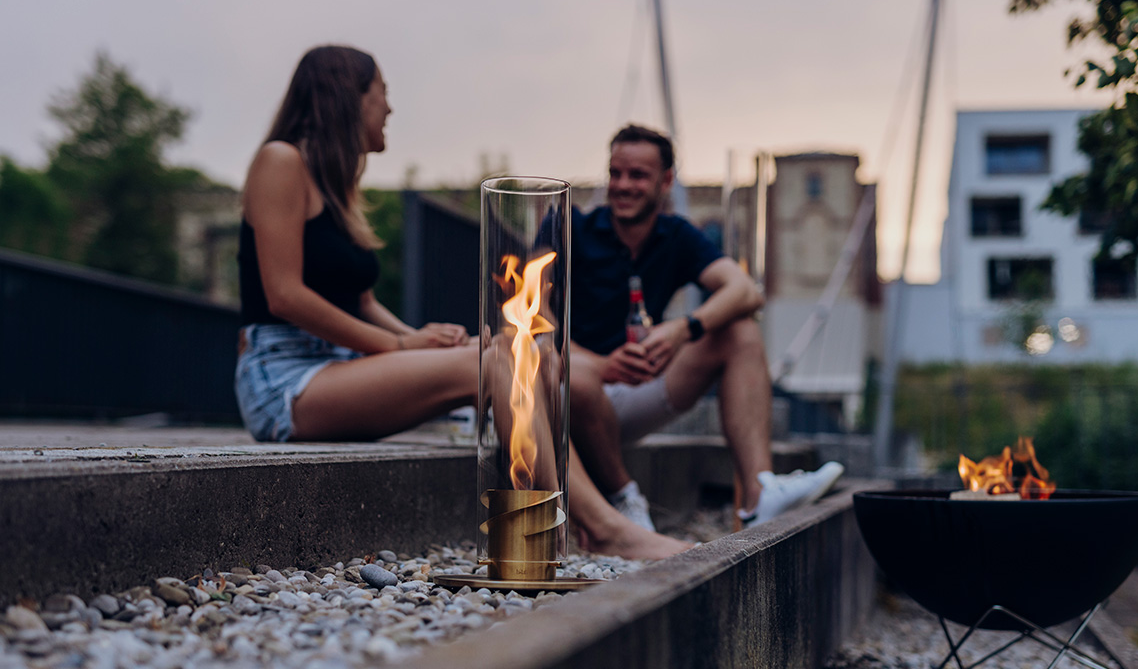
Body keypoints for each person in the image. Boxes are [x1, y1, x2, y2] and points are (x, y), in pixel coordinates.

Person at [234, 46, 689, 560]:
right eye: (382, 93)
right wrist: (402, 344)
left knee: (524, 345)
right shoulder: (280, 161)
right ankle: (605, 528)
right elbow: (285, 295)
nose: (389, 108)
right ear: (349, 98)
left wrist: (417, 339)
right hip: (283, 379)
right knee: (498, 359)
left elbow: (359, 300)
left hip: (340, 365)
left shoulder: (334, 187)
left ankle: (536, 534)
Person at [569, 124, 844, 531]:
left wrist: (683, 329)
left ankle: (760, 493)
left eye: (638, 175)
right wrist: (599, 364)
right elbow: (530, 321)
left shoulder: (676, 235)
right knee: (568, 375)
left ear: (666, 181)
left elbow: (745, 291)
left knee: (740, 331)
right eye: (616, 173)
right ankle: (624, 499)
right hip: (573, 390)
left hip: (633, 391)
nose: (623, 185)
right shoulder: (573, 227)